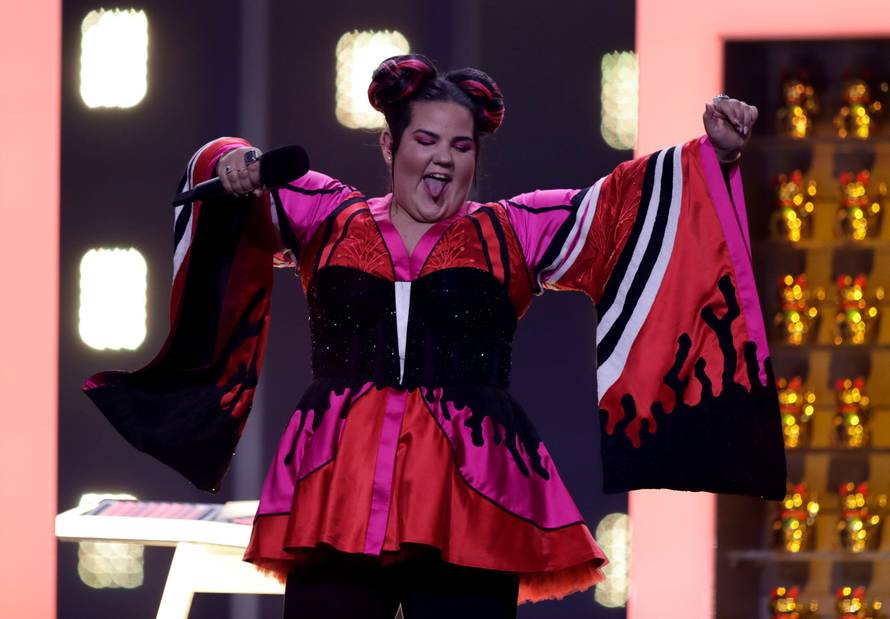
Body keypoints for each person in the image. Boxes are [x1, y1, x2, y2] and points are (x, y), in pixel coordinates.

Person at [83, 54, 786, 617]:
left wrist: (711, 154)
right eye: (424, 139)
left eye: (461, 145)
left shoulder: (511, 231)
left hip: (472, 495)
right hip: (338, 488)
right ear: (389, 145)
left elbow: (617, 209)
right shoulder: (329, 217)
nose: (442, 159)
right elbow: (230, 168)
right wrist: (230, 160)